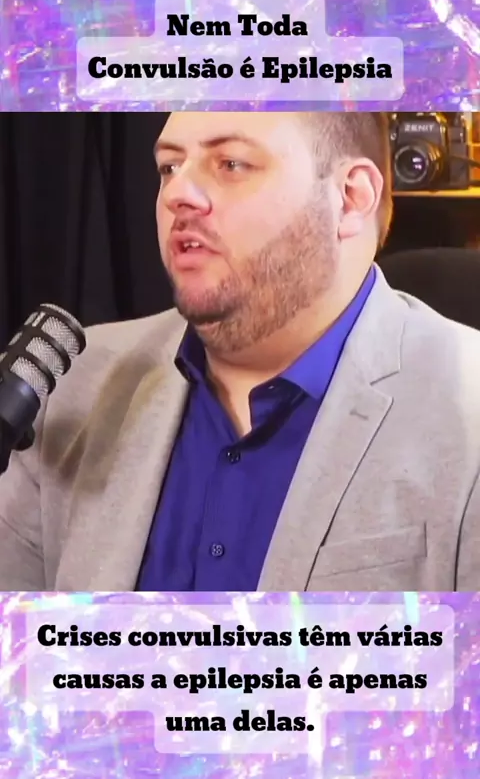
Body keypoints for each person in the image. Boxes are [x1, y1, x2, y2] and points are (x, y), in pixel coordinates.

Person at [0, 111, 479, 592]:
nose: (177, 193)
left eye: (230, 163)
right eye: (169, 167)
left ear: (351, 198)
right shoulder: (71, 386)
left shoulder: (466, 413)